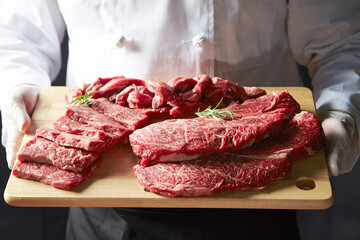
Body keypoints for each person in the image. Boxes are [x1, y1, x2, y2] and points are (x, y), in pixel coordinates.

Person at [0, 0, 359, 239]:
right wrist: (17, 84)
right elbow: (19, 31)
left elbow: (341, 39)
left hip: (258, 188)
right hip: (102, 193)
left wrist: (343, 108)